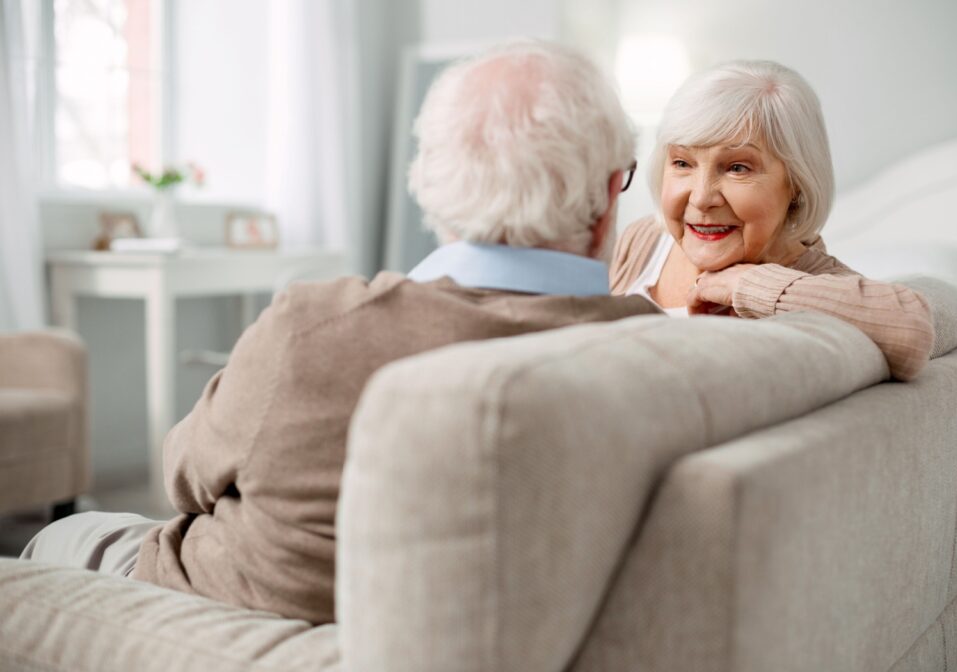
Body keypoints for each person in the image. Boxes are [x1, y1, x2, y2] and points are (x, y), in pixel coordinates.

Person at [20, 40, 661, 624]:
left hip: (211, 616)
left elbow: (183, 476)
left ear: (432, 184)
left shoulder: (318, 327)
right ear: (609, 198)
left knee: (57, 538)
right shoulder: (658, 355)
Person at [610, 60, 934, 381]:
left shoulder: (815, 278)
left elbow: (912, 328)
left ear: (795, 184)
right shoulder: (646, 239)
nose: (701, 198)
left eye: (738, 167)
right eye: (682, 162)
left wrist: (749, 285)